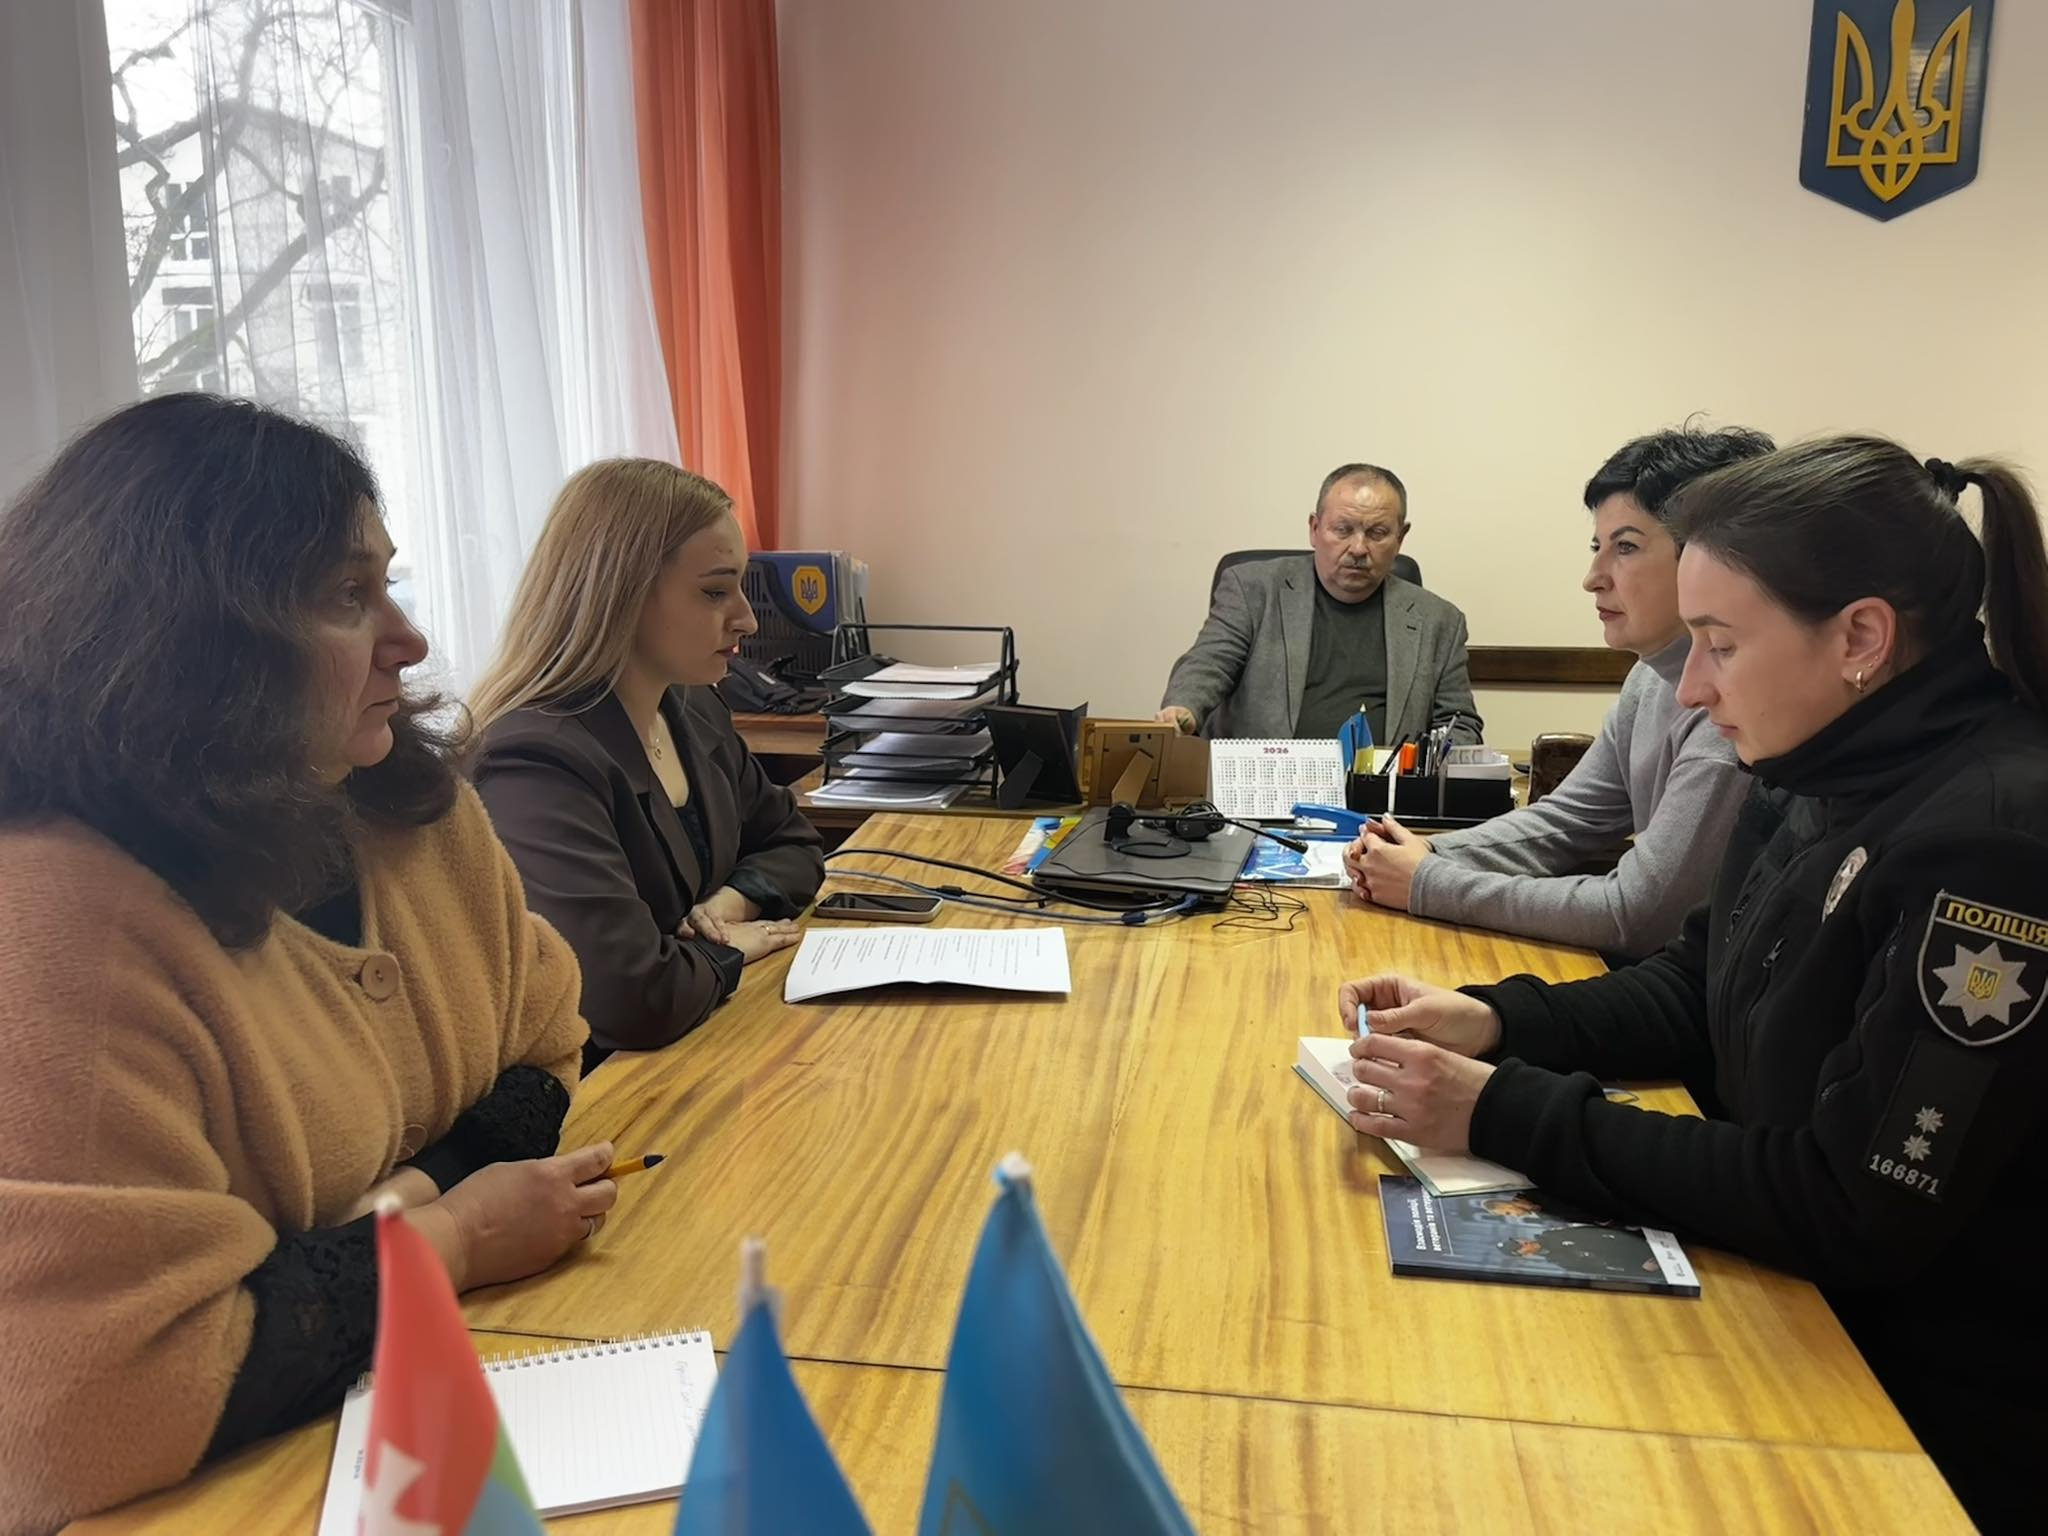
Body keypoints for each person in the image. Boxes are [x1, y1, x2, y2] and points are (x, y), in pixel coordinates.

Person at [1333, 437, 2048, 1532]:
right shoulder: (1815, 761)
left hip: (1910, 1410)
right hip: (1790, 1307)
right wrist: (1495, 1021)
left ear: (1859, 638)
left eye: (1719, 643)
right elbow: (1694, 986)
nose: (1695, 685)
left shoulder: (1993, 844)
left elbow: (1849, 1202)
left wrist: (1501, 1108)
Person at [0, 396, 613, 1532]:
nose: (409, 639)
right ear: (194, 638)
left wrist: (371, 1222)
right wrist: (454, 1235)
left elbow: (547, 1051)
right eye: (347, 596)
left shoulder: (411, 811)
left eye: (390, 583)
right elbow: (83, 1407)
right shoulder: (53, 921)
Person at [1345, 427, 1772, 957]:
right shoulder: (1649, 675)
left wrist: (1427, 881)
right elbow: (1568, 819)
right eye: (1598, 547)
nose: (1593, 577)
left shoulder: (1732, 710)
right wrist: (1425, 853)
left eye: (1626, 547)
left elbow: (1638, 916)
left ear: (1706, 558)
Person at [470, 460, 824, 1067]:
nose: (747, 618)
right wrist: (729, 949)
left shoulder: (693, 709)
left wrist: (728, 906)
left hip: (706, 1044)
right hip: (599, 1091)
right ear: (622, 595)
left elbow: (795, 844)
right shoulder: (533, 763)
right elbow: (630, 997)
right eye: (715, 591)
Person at [1157, 463, 1481, 743]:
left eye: (1377, 533)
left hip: (1381, 792)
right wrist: (1183, 710)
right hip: (1266, 784)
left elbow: (1460, 724)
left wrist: (1431, 774)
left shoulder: (1439, 621)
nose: (1358, 548)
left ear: (1400, 538)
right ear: (1315, 529)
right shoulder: (1253, 590)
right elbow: (1210, 663)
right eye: (1343, 530)